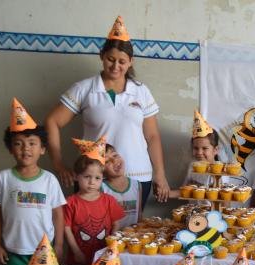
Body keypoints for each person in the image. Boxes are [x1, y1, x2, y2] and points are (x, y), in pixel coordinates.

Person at [45, 16, 170, 205]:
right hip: (94, 178)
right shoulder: (84, 88)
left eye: (122, 61)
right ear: (102, 56)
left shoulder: (141, 91)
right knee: (91, 232)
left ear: (131, 62)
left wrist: (160, 174)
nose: (115, 66)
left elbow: (152, 136)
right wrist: (58, 164)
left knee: (132, 233)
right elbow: (52, 122)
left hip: (137, 176)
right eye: (111, 59)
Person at [0, 99, 66, 265]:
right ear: (10, 149)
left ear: (42, 149)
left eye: (32, 143)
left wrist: (58, 244)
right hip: (13, 251)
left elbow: (58, 214)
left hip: (44, 251)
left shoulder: (49, 180)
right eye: (18, 143)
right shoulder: (3, 178)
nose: (25, 148)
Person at [64, 136, 125, 265]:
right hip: (78, 260)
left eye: (97, 178)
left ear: (102, 178)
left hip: (103, 258)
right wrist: (76, 251)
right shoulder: (70, 202)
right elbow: (66, 228)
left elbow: (116, 224)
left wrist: (111, 244)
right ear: (76, 176)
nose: (92, 182)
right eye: (87, 177)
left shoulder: (109, 200)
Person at [101, 144, 142, 228]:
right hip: (112, 238)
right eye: (107, 161)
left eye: (115, 155)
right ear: (101, 171)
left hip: (132, 236)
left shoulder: (137, 185)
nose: (114, 160)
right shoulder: (101, 188)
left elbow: (139, 214)